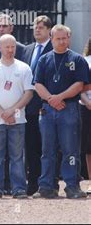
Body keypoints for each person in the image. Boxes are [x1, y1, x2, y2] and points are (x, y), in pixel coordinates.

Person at [34, 25, 89, 199]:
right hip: (48, 110)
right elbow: (37, 84)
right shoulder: (44, 59)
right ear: (51, 39)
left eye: (64, 38)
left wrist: (61, 97)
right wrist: (52, 99)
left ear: (69, 38)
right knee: (47, 150)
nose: (61, 41)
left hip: (70, 109)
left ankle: (72, 186)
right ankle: (47, 186)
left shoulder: (78, 60)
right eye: (58, 38)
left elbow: (81, 84)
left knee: (70, 150)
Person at [0, 34, 33, 199]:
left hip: (18, 119)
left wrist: (12, 111)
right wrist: (3, 113)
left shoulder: (24, 68)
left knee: (17, 156)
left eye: (13, 47)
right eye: (7, 47)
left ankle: (19, 188)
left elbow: (28, 93)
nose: (10, 50)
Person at [21, 15, 53, 195]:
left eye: (41, 27)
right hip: (27, 106)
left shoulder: (54, 48)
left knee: (47, 147)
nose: (37, 29)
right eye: (35, 26)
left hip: (46, 105)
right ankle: (32, 183)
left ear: (49, 30)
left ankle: (49, 183)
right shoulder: (27, 49)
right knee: (31, 146)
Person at [79, 37, 91, 194]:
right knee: (89, 147)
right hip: (87, 108)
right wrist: (88, 102)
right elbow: (79, 86)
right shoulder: (84, 61)